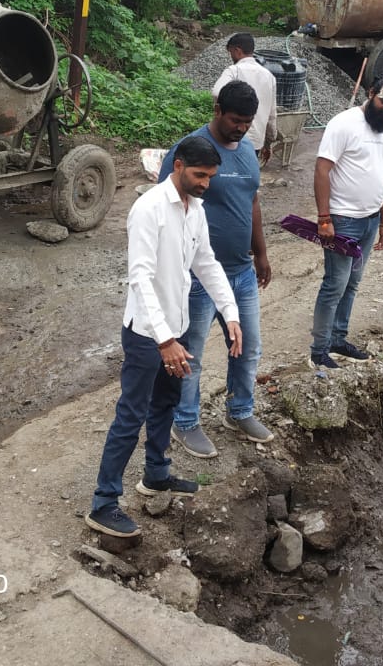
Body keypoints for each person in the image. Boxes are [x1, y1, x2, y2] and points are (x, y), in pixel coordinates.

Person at [88, 136, 242, 539]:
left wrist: (230, 313)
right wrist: (163, 341)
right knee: (132, 413)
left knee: (167, 403)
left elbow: (206, 263)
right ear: (177, 166)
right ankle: (104, 503)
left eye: (211, 176)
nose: (206, 183)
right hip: (146, 334)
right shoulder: (149, 210)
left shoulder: (197, 210)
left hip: (176, 327)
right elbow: (139, 277)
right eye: (199, 175)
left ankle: (156, 475)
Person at [158, 81, 273, 459]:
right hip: (199, 277)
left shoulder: (249, 153)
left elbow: (252, 201)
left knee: (248, 346)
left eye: (248, 122)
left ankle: (239, 411)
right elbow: (166, 208)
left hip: (240, 272)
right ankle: (185, 421)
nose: (242, 128)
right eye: (236, 120)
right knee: (191, 352)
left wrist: (261, 253)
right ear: (218, 109)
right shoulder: (190, 150)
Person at [307, 71, 383, 369]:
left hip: (370, 220)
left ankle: (338, 338)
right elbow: (322, 170)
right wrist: (324, 218)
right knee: (335, 283)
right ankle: (319, 350)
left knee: (352, 283)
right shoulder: (344, 124)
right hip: (343, 221)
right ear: (371, 93)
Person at [213, 32, 278, 162]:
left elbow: (216, 92)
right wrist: (269, 141)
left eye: (231, 52)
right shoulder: (269, 76)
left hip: (232, 137)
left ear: (237, 50)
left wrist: (224, 113)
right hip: (256, 141)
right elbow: (272, 114)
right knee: (246, 177)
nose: (231, 56)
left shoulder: (234, 70)